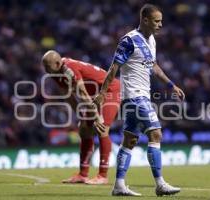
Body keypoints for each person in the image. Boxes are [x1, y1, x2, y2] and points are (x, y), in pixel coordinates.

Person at [93, 4, 185, 196]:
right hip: (134, 96)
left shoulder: (151, 40)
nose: (160, 24)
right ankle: (160, 184)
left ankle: (119, 185)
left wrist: (171, 85)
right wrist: (102, 93)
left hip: (141, 95)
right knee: (156, 133)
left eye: (161, 21)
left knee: (130, 140)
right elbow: (113, 69)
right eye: (157, 21)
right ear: (145, 20)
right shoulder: (129, 40)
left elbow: (154, 67)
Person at [42, 50, 120, 185]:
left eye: (47, 66)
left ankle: (103, 175)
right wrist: (80, 116)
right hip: (94, 94)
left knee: (102, 128)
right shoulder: (55, 72)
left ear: (57, 63)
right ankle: (82, 175)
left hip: (109, 90)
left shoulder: (69, 69)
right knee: (84, 129)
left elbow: (83, 94)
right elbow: (68, 96)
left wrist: (96, 117)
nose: (45, 70)